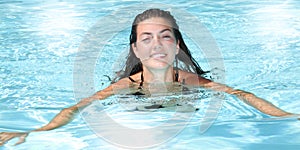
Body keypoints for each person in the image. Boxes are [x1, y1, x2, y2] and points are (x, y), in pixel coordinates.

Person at [0, 8, 297, 146]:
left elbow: (244, 96)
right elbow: (76, 109)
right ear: (136, 48)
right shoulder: (125, 87)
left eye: (165, 37)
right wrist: (39, 132)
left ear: (177, 45)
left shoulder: (192, 82)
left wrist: (287, 116)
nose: (157, 44)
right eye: (147, 38)